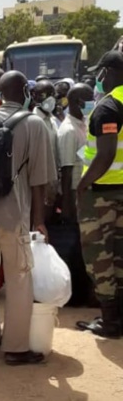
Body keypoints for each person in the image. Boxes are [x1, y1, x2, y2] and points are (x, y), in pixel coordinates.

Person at [0, 71, 56, 365]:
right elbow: (39, 180)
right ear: (24, 90)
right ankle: (17, 347)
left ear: (0, 93)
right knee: (20, 277)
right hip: (11, 213)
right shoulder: (33, 123)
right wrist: (39, 219)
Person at [76, 50, 123, 338]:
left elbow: (105, 155)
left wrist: (82, 184)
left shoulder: (107, 107)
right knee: (120, 256)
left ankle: (110, 321)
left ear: (108, 72)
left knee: (100, 258)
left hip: (102, 194)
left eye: (100, 73)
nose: (99, 78)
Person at [58, 83, 95, 220]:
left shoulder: (84, 123)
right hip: (75, 191)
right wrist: (67, 204)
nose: (93, 102)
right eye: (90, 99)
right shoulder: (69, 130)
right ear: (80, 102)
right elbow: (66, 169)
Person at [33, 80, 61, 219]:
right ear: (35, 97)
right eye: (44, 94)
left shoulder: (53, 120)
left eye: (52, 94)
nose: (50, 98)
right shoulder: (33, 122)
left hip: (54, 183)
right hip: (41, 184)